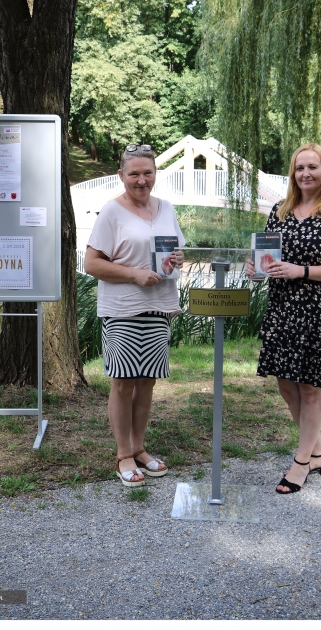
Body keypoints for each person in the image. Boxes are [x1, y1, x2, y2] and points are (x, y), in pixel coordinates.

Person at [246, 143, 321, 494]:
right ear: (293, 174)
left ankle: (301, 462)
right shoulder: (280, 211)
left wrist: (302, 270)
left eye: (312, 167)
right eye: (299, 168)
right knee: (285, 384)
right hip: (282, 308)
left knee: (309, 387)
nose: (305, 173)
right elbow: (268, 259)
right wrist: (256, 269)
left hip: (317, 311)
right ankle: (319, 453)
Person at [84, 144, 185, 487]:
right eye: (134, 174)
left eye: (148, 173)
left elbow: (175, 250)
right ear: (121, 175)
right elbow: (92, 264)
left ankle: (139, 448)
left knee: (146, 381)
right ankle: (123, 454)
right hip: (123, 309)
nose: (142, 180)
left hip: (159, 307)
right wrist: (134, 274)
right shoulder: (112, 212)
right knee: (124, 382)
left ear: (155, 174)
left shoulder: (166, 208)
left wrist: (177, 258)